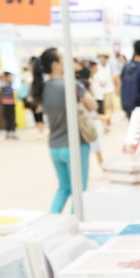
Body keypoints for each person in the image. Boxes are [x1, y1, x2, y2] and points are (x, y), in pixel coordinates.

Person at [31, 48, 97, 214]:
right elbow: (93, 105)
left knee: (64, 188)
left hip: (55, 146)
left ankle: (52, 220)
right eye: (63, 58)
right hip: (75, 145)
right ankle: (74, 224)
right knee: (79, 191)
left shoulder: (42, 88)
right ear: (55, 64)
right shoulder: (70, 85)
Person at [23, 57, 46, 139]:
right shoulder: (28, 75)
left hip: (38, 100)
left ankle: (41, 131)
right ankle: (40, 130)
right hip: (32, 100)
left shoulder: (39, 77)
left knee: (39, 116)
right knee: (36, 116)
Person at [93, 55, 116, 131]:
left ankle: (108, 120)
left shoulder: (109, 67)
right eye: (101, 59)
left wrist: (113, 81)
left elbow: (113, 77)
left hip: (109, 89)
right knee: (103, 108)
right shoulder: (97, 68)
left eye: (103, 59)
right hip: (100, 91)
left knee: (109, 106)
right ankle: (104, 123)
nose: (102, 61)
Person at [0, 71, 17, 140]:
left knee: (12, 118)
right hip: (5, 104)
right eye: (9, 77)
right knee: (7, 118)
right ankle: (7, 133)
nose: (11, 78)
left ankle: (12, 133)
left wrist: (11, 74)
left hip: (11, 103)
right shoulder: (3, 84)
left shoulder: (10, 83)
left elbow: (14, 77)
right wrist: (3, 76)